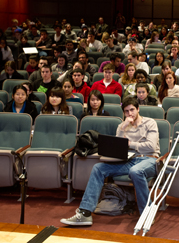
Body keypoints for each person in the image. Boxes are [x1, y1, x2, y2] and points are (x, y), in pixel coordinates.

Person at [60, 97, 159, 226]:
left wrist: (130, 143)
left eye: (132, 110)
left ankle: (147, 213)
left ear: (138, 109)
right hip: (129, 160)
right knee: (98, 168)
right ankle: (85, 213)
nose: (130, 114)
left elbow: (151, 146)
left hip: (149, 159)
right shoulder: (122, 126)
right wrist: (122, 129)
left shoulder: (150, 123)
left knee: (136, 171)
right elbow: (117, 147)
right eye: (126, 111)